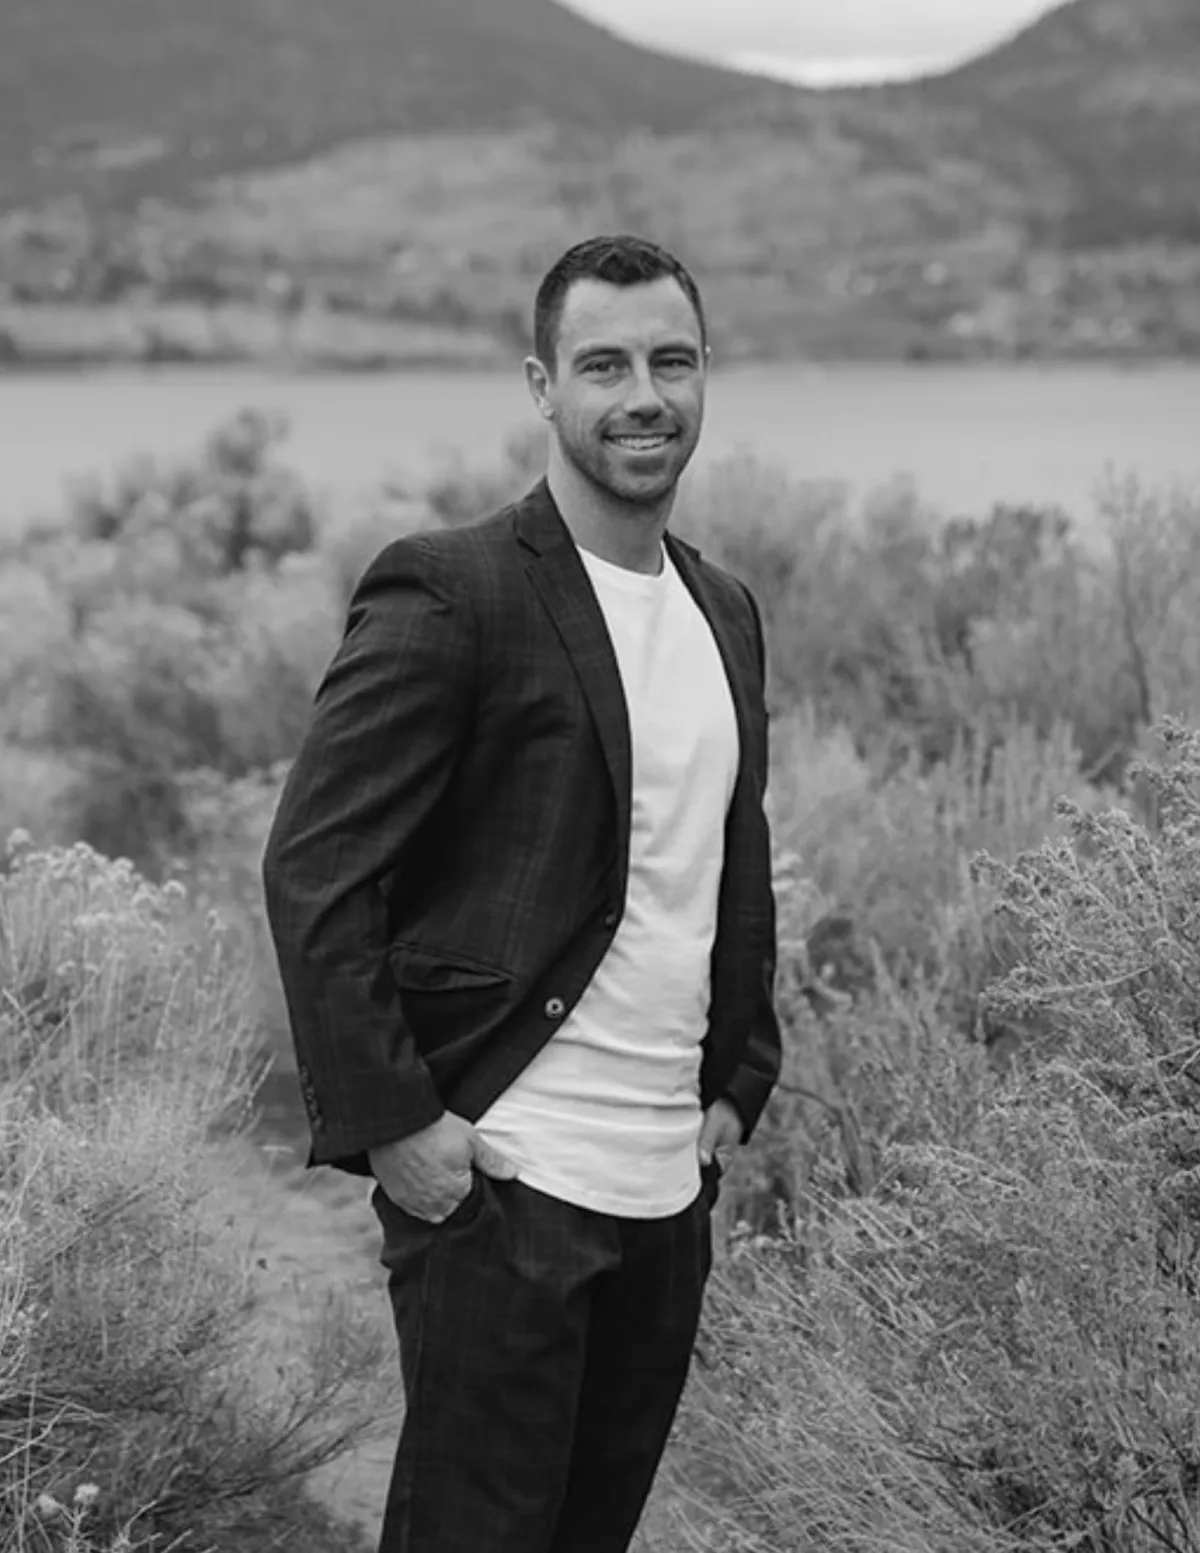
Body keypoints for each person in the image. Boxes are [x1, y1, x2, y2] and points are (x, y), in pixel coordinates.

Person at [261, 233, 781, 1553]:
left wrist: (740, 1076)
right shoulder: (456, 588)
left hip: (665, 1191)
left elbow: (724, 851)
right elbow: (316, 865)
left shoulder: (724, 609)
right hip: (505, 1179)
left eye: (671, 362)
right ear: (542, 386)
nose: (643, 396)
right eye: (603, 365)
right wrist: (399, 1126)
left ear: (705, 374)